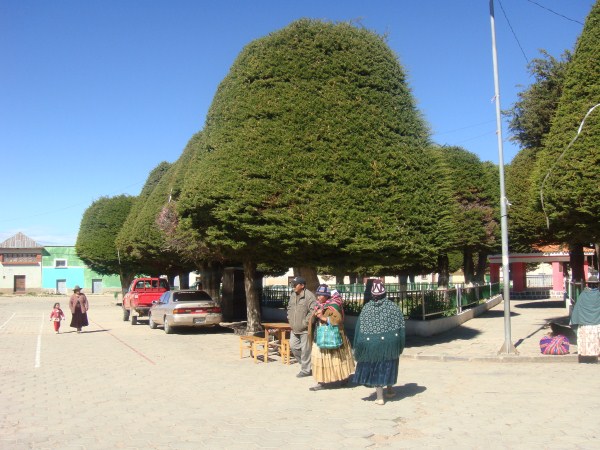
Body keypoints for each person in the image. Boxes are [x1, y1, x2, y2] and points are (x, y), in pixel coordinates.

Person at [353, 280, 405, 405]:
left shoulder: (367, 308)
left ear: (372, 294)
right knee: (389, 365)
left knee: (376, 368)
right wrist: (400, 344)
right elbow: (401, 326)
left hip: (371, 346)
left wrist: (357, 347)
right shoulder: (393, 307)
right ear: (384, 293)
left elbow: (359, 329)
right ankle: (390, 389)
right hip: (390, 344)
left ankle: (380, 397)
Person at [307, 285, 355, 391]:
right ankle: (321, 382)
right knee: (321, 360)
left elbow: (338, 320)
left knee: (337, 359)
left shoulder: (334, 306)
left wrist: (322, 317)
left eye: (320, 295)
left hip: (333, 336)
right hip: (320, 336)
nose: (318, 297)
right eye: (318, 295)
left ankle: (344, 378)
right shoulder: (319, 305)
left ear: (326, 296)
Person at [287, 276, 317, 377]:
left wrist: (306, 323)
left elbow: (313, 311)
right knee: (293, 347)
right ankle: (305, 364)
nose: (293, 286)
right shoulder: (293, 295)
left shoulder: (309, 296)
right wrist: (289, 319)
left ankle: (306, 370)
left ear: (302, 285)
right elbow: (289, 308)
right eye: (293, 284)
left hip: (305, 329)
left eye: (295, 285)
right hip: (294, 327)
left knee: (306, 350)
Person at [570, 275, 600, 363]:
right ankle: (595, 355)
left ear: (588, 284)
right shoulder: (598, 295)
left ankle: (586, 357)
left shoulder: (583, 294)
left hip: (584, 324)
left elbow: (578, 309)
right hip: (597, 323)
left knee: (586, 340)